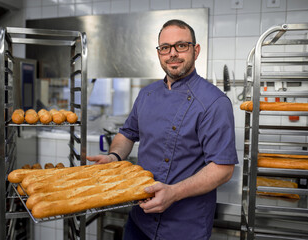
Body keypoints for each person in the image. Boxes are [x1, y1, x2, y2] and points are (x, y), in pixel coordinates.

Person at [87, 19, 238, 240]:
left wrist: (174, 193)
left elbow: (222, 168)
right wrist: (114, 155)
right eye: (165, 48)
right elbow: (127, 133)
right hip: (140, 220)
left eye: (181, 45)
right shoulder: (146, 94)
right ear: (159, 53)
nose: (172, 54)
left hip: (184, 227)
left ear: (195, 50)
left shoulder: (214, 103)